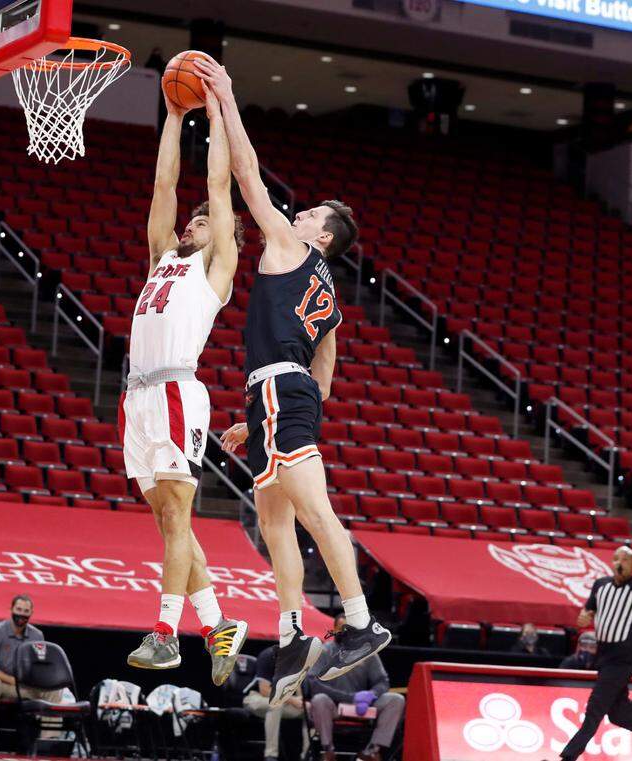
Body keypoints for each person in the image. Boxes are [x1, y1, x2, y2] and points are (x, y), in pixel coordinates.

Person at [197, 57, 391, 708]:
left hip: (276, 393)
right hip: (277, 396)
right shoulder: (331, 300)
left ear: (322, 232)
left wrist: (226, 97)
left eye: (307, 212)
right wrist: (265, 412)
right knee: (274, 519)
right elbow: (327, 382)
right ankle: (290, 629)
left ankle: (361, 622)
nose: (296, 213)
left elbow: (247, 176)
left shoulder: (290, 245)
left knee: (313, 511)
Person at [121, 81, 248, 682]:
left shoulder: (215, 271)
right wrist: (172, 114)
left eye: (203, 223)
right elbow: (164, 184)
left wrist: (219, 114)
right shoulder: (161, 259)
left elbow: (217, 186)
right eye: (193, 222)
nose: (193, 223)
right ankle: (218, 623)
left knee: (176, 516)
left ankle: (167, 634)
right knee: (171, 522)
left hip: (175, 392)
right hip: (136, 396)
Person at [548, 546, 632, 761]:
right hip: (603, 655)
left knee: (595, 707)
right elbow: (588, 611)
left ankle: (568, 757)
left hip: (623, 655)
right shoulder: (600, 585)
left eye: (626, 559)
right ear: (611, 562)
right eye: (616, 558)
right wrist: (584, 617)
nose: (620, 563)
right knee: (618, 712)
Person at [0, 595, 65, 757]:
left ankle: (48, 744)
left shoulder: (37, 636)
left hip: (20, 685)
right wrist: (15, 681)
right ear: (11, 609)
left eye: (26, 611)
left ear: (31, 613)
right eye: (19, 609)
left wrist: (35, 682)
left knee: (53, 690)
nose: (22, 614)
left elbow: (38, 666)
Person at [305, 614, 404, 761]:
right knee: (319, 699)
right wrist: (350, 698)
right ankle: (328, 750)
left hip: (362, 707)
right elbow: (314, 684)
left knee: (396, 699)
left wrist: (371, 694)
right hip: (334, 706)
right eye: (341, 628)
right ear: (334, 630)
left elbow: (382, 681)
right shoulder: (324, 651)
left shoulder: (368, 653)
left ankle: (371, 750)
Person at [242, 644, 308, 761]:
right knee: (276, 704)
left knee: (310, 710)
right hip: (256, 698)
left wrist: (302, 702)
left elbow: (297, 685)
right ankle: (271, 755)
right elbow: (265, 690)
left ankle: (308, 754)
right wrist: (292, 700)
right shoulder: (267, 656)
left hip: (282, 700)